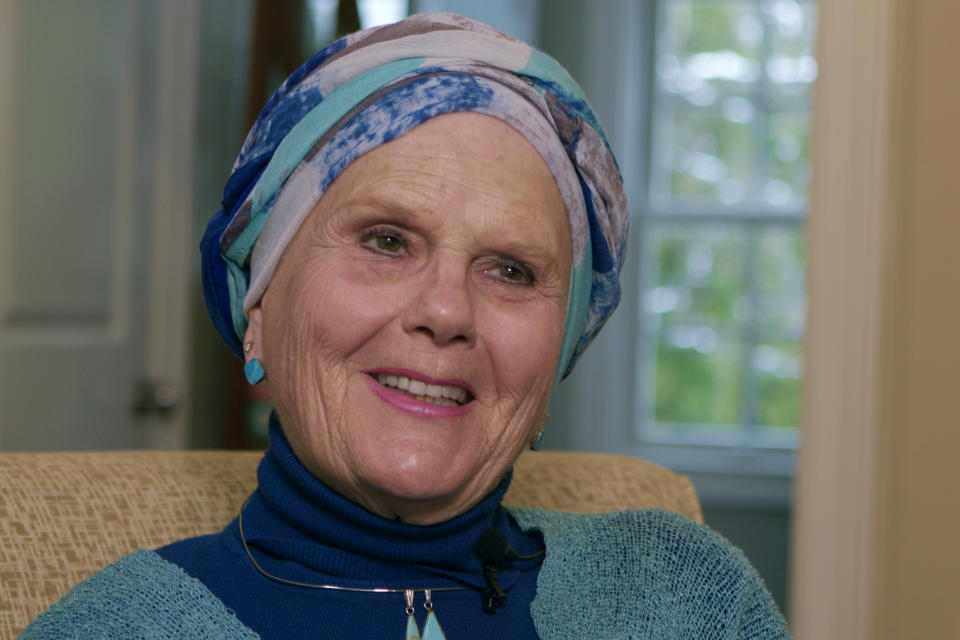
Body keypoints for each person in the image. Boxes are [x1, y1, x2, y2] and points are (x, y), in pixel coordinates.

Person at [20, 13, 790, 640]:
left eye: (512, 271)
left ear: (558, 356)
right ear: (257, 308)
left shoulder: (686, 600)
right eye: (387, 241)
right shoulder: (113, 628)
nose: (448, 311)